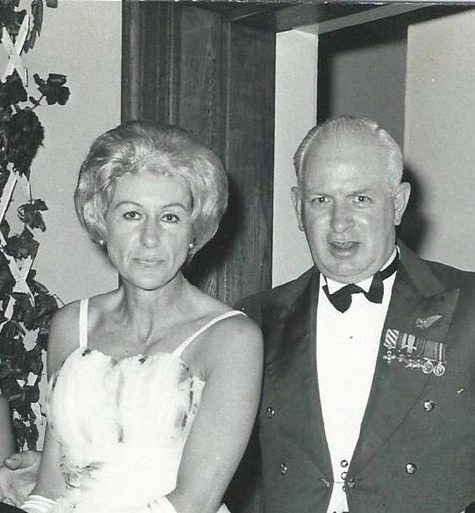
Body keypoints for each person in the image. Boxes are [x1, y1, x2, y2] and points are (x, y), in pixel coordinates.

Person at [0, 120, 262, 513]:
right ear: (102, 223)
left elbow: (194, 501)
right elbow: (50, 487)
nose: (150, 238)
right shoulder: (72, 326)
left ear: (195, 229)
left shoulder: (232, 340)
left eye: (170, 217)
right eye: (131, 215)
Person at [229, 116, 475, 513]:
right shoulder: (252, 322)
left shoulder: (468, 308)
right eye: (320, 200)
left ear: (398, 204)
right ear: (297, 207)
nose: (339, 222)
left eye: (360, 198)